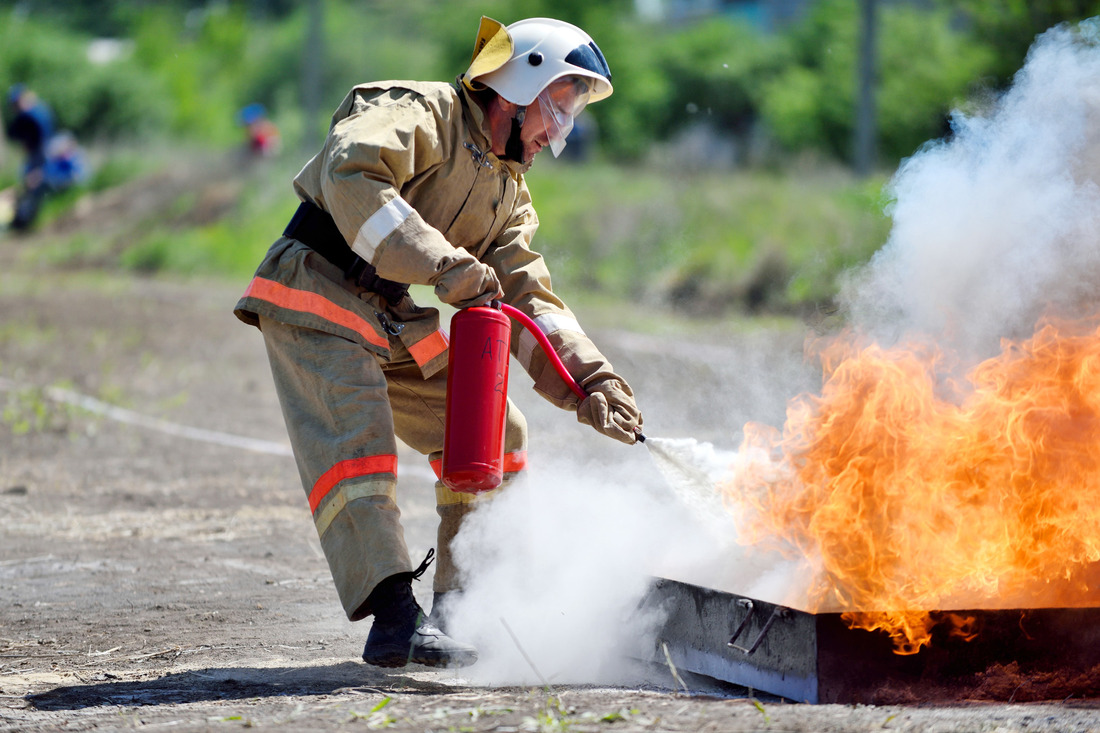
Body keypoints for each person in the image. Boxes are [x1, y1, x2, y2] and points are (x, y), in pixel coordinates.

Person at [234, 16, 642, 669]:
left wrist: (590, 379)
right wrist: (444, 264)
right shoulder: (419, 111)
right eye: (557, 110)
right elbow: (352, 173)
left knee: (492, 433)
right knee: (358, 442)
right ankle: (396, 618)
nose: (556, 133)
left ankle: (464, 605)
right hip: (316, 288)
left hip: (387, 311)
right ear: (516, 84)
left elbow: (530, 297)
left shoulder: (507, 188)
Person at [5, 84, 55, 231]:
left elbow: (42, 137)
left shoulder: (35, 114)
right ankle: (24, 219)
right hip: (36, 154)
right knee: (29, 183)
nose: (15, 107)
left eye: (17, 103)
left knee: (34, 182)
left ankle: (26, 220)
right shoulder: (32, 113)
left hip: (41, 154)